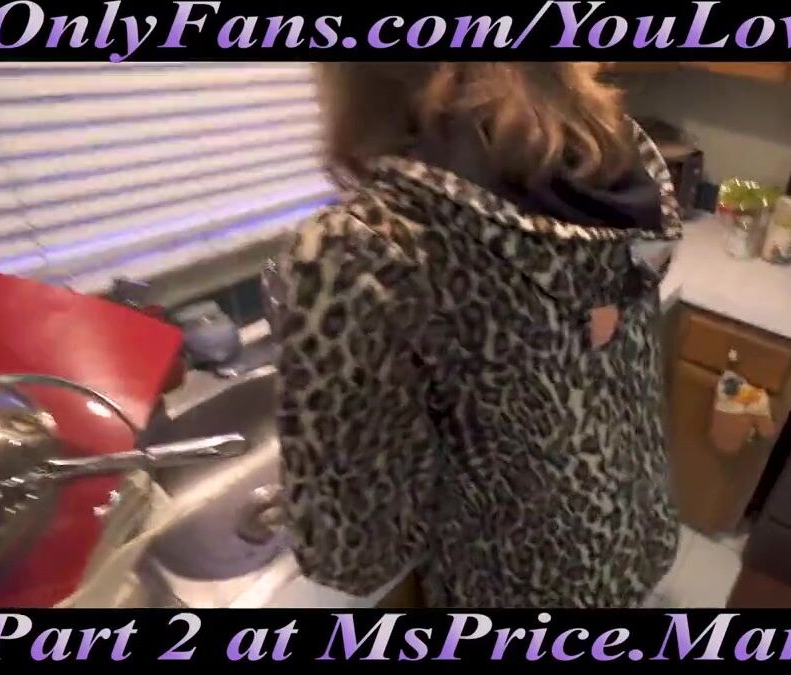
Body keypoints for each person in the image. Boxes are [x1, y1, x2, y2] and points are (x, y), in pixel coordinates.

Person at [266, 63, 683, 608]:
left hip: (521, 587)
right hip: (636, 533)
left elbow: (353, 556)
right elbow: (589, 333)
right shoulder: (611, 157)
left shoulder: (368, 247)